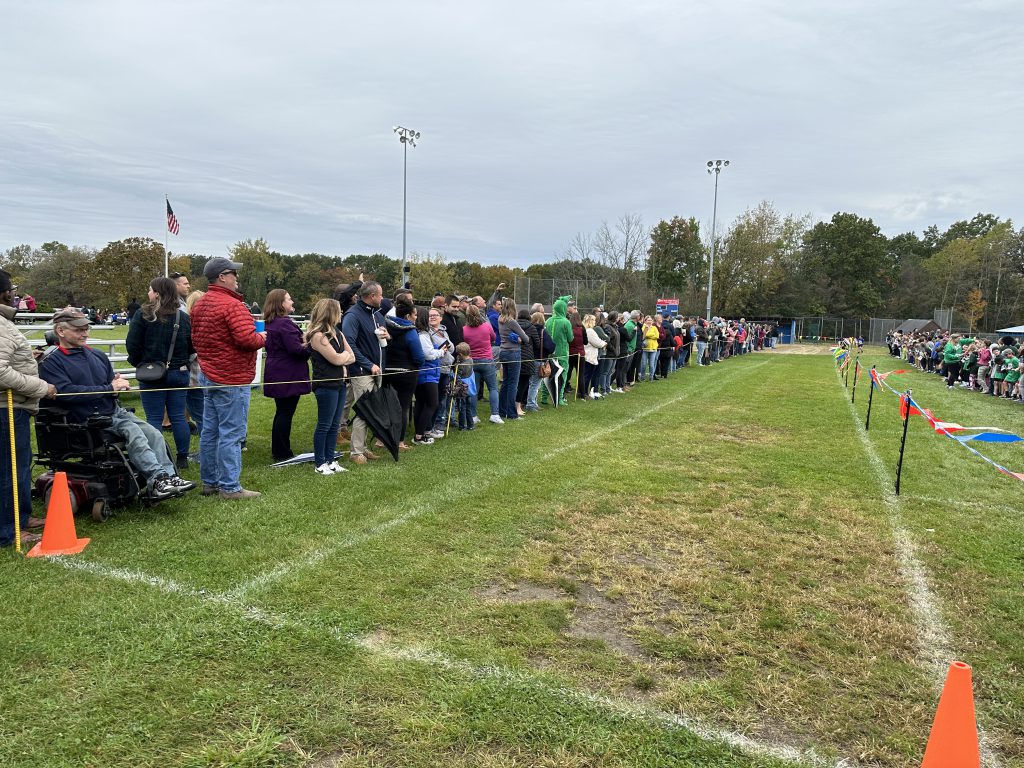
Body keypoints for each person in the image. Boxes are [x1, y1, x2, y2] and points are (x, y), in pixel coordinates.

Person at [39, 308, 194, 500]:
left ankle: (170, 477)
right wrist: (109, 387)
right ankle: (157, 478)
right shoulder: (51, 361)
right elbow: (66, 393)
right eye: (78, 329)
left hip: (112, 411)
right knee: (135, 433)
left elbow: (108, 382)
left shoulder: (97, 355)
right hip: (84, 418)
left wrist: (117, 384)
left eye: (87, 328)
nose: (85, 333)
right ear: (60, 331)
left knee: (154, 434)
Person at [190, 257, 266, 500]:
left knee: (211, 431)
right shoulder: (232, 305)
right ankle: (230, 486)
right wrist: (264, 337)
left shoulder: (200, 304)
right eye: (233, 274)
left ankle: (210, 482)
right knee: (232, 433)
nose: (237, 278)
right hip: (231, 378)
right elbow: (248, 340)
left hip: (209, 375)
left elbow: (196, 340)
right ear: (222, 277)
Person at [0, 269, 54, 548]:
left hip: (15, 407)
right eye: (11, 289)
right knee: (8, 468)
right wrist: (40, 387)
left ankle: (21, 516)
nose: (14, 294)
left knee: (19, 464)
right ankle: (8, 531)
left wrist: (26, 358)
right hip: (5, 408)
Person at [126, 276, 194, 470]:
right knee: (178, 417)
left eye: (150, 289)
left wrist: (140, 363)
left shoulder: (143, 314)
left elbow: (132, 344)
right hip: (179, 372)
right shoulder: (183, 317)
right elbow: (191, 346)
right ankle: (182, 458)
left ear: (156, 293)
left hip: (152, 373)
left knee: (154, 418)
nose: (148, 293)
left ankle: (157, 456)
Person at [340, 281, 389, 465]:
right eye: (381, 295)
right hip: (362, 371)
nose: (383, 298)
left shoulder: (377, 314)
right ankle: (356, 452)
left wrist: (387, 336)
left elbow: (382, 336)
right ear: (372, 296)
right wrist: (368, 364)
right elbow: (349, 344)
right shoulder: (353, 315)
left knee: (373, 409)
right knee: (365, 409)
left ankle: (363, 448)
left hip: (378, 369)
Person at [305, 298, 355, 475]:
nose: (341, 313)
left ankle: (330, 460)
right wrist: (342, 357)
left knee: (335, 425)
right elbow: (335, 359)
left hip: (340, 383)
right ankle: (320, 463)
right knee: (324, 424)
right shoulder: (318, 335)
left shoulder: (337, 333)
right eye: (339, 310)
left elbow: (352, 356)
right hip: (326, 384)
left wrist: (341, 357)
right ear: (330, 312)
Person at [262, 288, 311, 462]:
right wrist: (309, 344)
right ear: (280, 303)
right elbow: (296, 350)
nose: (292, 302)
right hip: (287, 372)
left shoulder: (272, 322)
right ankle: (282, 451)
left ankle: (280, 448)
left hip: (277, 370)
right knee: (285, 412)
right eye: (289, 299)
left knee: (282, 411)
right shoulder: (284, 323)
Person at [383, 296, 422, 451]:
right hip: (406, 372)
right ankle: (399, 441)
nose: (416, 317)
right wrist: (417, 365)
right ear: (408, 316)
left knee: (387, 406)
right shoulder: (410, 332)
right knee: (402, 407)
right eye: (415, 315)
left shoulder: (387, 326)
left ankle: (381, 439)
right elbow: (419, 357)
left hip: (387, 371)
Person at [463, 304, 501, 424]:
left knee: (474, 390)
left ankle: (474, 416)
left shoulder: (464, 330)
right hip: (487, 360)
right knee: (493, 388)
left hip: (473, 362)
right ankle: (495, 414)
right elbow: (494, 338)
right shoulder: (486, 326)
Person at [413, 309, 447, 444]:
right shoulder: (422, 335)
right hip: (427, 373)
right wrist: (440, 351)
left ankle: (422, 432)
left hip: (427, 373)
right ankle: (420, 435)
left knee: (422, 404)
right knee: (432, 403)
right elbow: (428, 354)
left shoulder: (423, 334)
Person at [497, 298, 527, 421]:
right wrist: (518, 338)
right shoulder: (512, 322)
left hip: (503, 351)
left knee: (505, 382)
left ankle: (502, 410)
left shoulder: (500, 319)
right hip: (513, 353)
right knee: (513, 384)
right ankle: (512, 413)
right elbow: (526, 338)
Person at [425, 306, 453, 435]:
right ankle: (431, 426)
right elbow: (434, 350)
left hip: (447, 368)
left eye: (435, 315)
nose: (432, 317)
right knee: (434, 400)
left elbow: (451, 348)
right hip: (435, 369)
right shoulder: (426, 332)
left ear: (441, 318)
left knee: (443, 398)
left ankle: (439, 423)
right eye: (430, 315)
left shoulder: (444, 330)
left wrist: (445, 346)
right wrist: (443, 348)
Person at [543, 296, 573, 405]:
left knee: (547, 373)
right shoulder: (566, 322)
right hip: (562, 353)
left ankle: (544, 397)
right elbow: (570, 338)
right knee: (562, 375)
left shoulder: (548, 321)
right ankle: (559, 398)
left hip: (549, 353)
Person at [451, 343, 475, 431]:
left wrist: (453, 371)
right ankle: (471, 425)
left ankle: (462, 426)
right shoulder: (471, 360)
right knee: (468, 407)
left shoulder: (461, 366)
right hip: (469, 388)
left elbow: (456, 376)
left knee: (462, 408)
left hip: (462, 389)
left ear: (460, 354)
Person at [582, 314, 607, 398]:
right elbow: (598, 343)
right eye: (594, 320)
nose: (595, 322)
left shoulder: (586, 330)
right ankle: (584, 393)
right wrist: (604, 343)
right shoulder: (590, 331)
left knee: (587, 375)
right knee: (587, 376)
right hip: (589, 356)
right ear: (590, 321)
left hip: (588, 355)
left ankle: (584, 392)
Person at [641, 315, 659, 381]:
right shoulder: (644, 327)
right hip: (645, 348)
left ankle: (651, 377)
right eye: (648, 320)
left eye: (651, 320)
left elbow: (657, 336)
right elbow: (645, 335)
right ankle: (642, 377)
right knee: (643, 364)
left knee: (651, 364)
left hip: (653, 348)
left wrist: (649, 335)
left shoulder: (654, 327)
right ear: (645, 321)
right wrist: (652, 335)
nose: (650, 321)